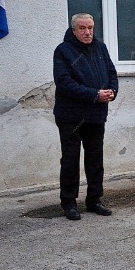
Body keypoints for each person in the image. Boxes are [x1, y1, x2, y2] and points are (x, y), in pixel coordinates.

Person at [53, 13, 118, 220]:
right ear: (74, 30)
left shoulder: (101, 48)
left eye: (90, 27)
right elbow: (64, 83)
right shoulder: (63, 51)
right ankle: (69, 203)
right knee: (71, 161)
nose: (88, 32)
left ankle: (94, 200)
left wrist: (112, 91)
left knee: (95, 160)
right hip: (70, 117)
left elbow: (111, 73)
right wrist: (95, 94)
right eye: (82, 28)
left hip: (96, 115)